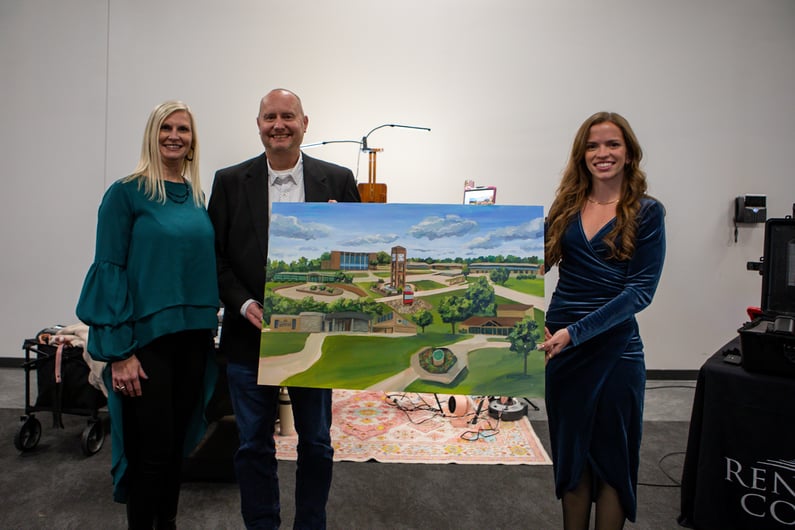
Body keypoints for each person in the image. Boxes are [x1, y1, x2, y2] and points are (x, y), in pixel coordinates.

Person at [208, 88, 360, 529]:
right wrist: (243, 303)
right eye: (270, 117)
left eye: (288, 116)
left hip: (317, 335)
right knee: (253, 443)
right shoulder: (230, 181)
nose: (279, 124)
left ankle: (310, 523)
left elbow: (364, 255)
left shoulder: (338, 179)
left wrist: (344, 229)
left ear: (305, 123)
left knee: (316, 442)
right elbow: (216, 257)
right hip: (248, 337)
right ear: (258, 125)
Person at [76, 100, 219, 529]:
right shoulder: (125, 194)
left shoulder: (197, 197)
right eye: (165, 128)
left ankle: (167, 523)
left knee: (177, 446)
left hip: (194, 339)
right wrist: (120, 352)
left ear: (193, 141)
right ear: (152, 136)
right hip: (146, 344)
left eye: (183, 129)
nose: (175, 135)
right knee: (150, 450)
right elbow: (110, 271)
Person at [539, 111, 666, 530]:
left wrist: (575, 333)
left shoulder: (647, 212)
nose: (602, 153)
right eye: (592, 146)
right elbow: (527, 266)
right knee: (572, 460)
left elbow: (639, 292)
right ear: (582, 154)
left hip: (615, 352)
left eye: (612, 144)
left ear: (629, 153)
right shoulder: (567, 207)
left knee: (612, 460)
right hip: (562, 354)